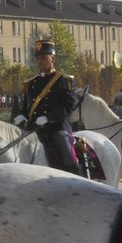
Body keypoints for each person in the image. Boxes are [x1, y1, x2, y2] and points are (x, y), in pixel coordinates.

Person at [16, 41, 78, 173]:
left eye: (44, 57)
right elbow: (28, 105)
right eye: (38, 58)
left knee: (66, 151)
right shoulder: (32, 82)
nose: (40, 61)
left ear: (53, 59)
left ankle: (76, 177)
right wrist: (22, 114)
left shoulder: (63, 80)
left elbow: (68, 106)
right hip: (34, 128)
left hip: (56, 127)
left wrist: (48, 118)